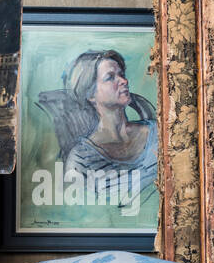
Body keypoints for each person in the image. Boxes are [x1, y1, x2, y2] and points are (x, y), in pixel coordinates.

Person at [61, 49, 158, 202]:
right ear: (90, 95)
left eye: (122, 75)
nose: (124, 81)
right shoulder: (81, 159)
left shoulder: (158, 133)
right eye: (110, 77)